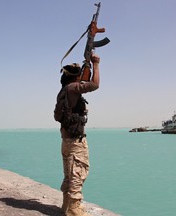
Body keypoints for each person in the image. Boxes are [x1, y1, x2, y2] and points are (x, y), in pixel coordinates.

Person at [55, 53, 100, 216]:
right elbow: (94, 84)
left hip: (66, 141)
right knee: (78, 173)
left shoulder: (64, 91)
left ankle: (67, 206)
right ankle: (74, 209)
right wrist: (95, 64)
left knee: (69, 175)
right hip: (75, 142)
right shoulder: (73, 88)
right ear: (75, 77)